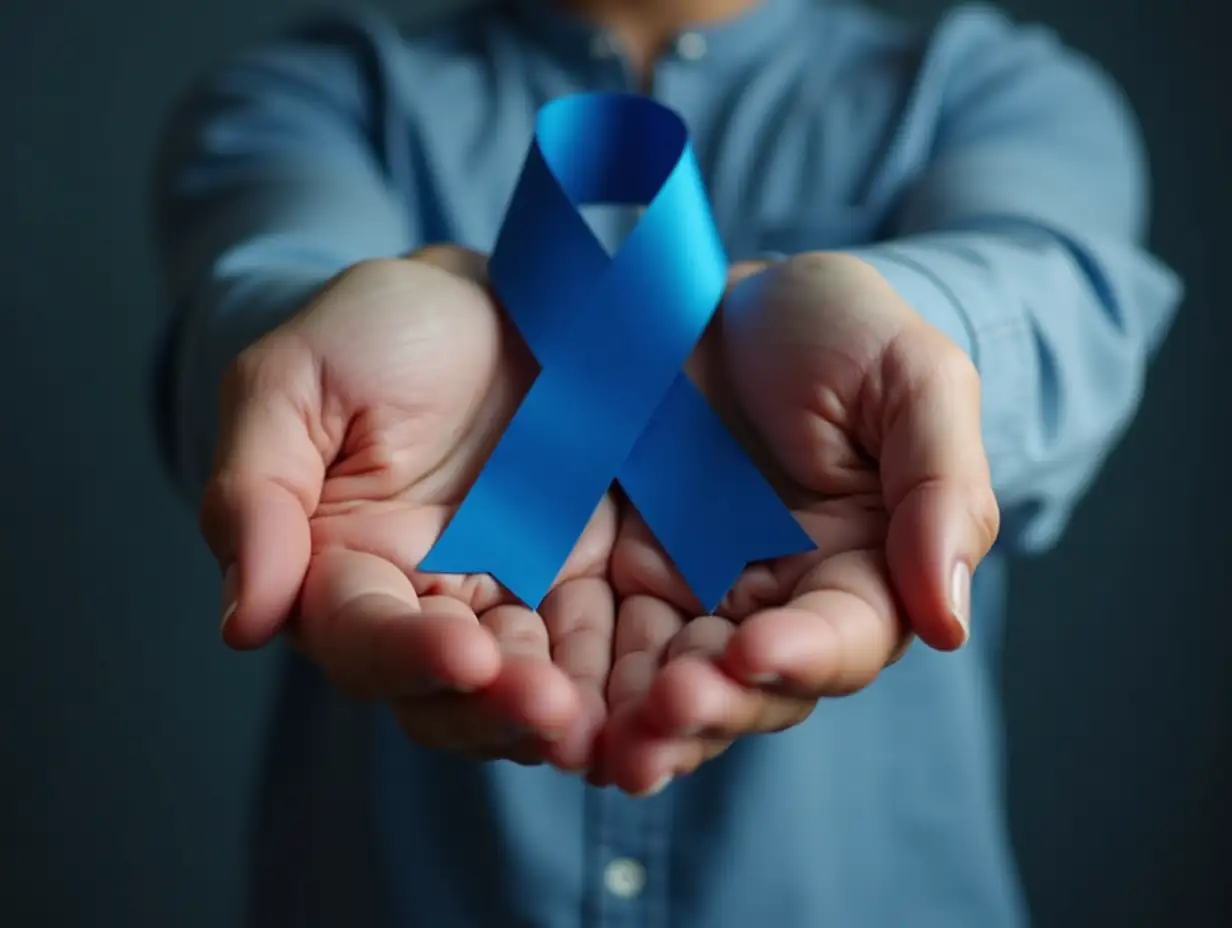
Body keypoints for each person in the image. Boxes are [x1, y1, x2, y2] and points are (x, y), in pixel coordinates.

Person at [150, 0, 1181, 924]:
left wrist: (916, 346)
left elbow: (1061, 305)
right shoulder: (316, 95)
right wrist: (304, 356)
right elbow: (250, 302)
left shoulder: (986, 87)